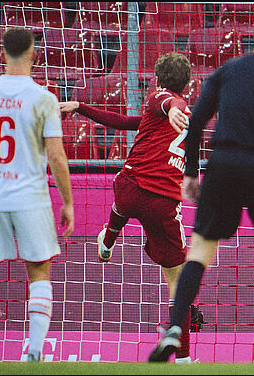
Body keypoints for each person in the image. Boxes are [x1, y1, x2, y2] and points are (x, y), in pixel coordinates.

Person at [148, 6, 254, 364]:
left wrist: (191, 173)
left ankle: (176, 327)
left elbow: (195, 125)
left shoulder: (230, 70)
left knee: (200, 251)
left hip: (222, 165)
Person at [59, 52, 195, 363]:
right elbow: (162, 108)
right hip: (162, 201)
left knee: (124, 198)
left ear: (157, 80)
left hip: (130, 187)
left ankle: (108, 238)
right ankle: (185, 360)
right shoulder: (179, 109)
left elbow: (126, 120)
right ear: (185, 84)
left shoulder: (159, 99)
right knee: (179, 281)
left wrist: (80, 106)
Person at [0, 27, 74, 362]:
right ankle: (34, 352)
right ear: (34, 54)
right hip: (31, 199)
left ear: (1, 55)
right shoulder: (44, 99)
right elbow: (56, 156)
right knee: (38, 272)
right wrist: (67, 201)